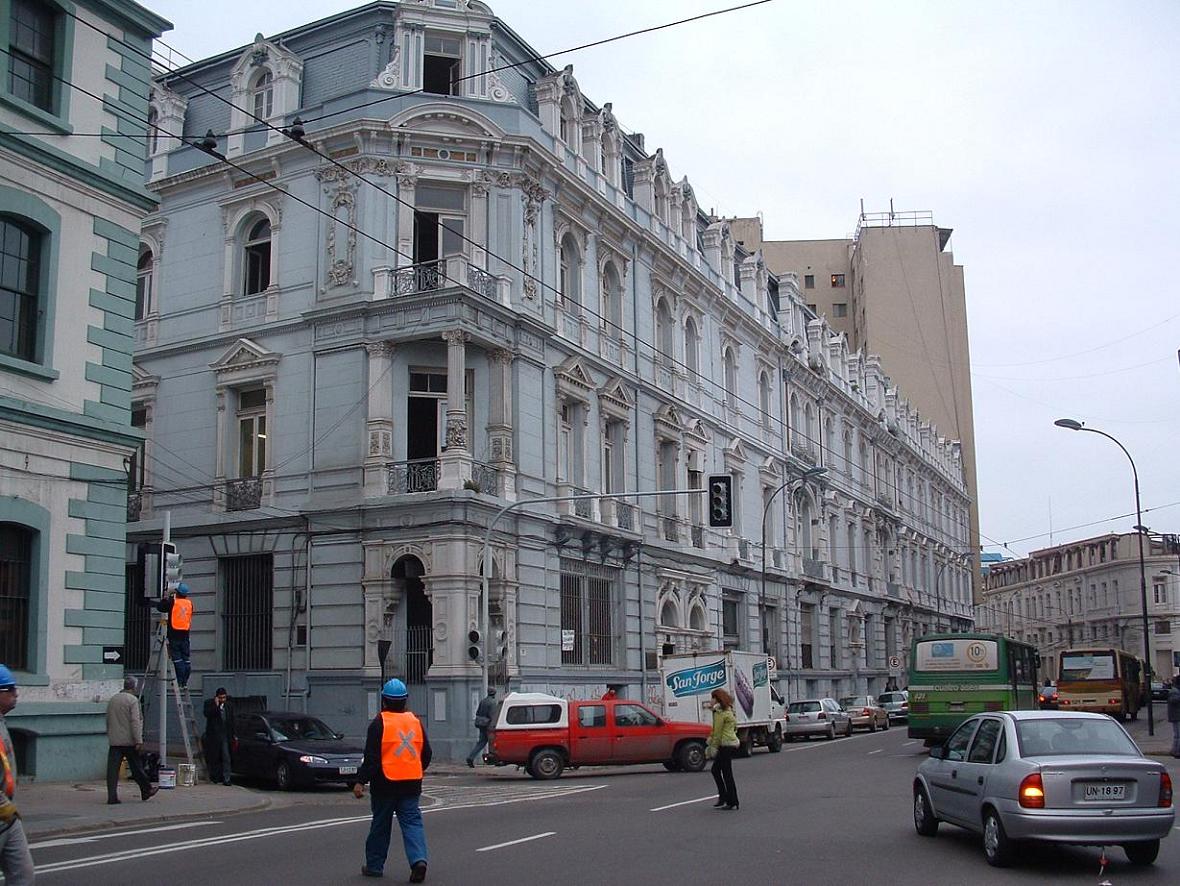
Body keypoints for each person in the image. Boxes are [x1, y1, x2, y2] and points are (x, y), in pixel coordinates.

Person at [354, 678, 431, 882]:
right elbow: (427, 754)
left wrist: (360, 781)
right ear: (405, 701)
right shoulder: (415, 722)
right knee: (413, 824)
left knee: (380, 825)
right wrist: (415, 769)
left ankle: (374, 866)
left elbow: (371, 759)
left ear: (384, 701)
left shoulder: (378, 724)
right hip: (412, 783)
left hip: (384, 785)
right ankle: (419, 861)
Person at [0, 666, 35, 886]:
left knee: (23, 875)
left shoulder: (2, 722)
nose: (16, 693)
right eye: (10, 689)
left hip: (7, 816)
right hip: (4, 809)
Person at [106, 676, 159, 805]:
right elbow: (135, 721)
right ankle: (146, 789)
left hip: (114, 740)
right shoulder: (132, 700)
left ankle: (112, 796)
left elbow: (108, 720)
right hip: (129, 741)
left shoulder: (113, 699)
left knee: (112, 770)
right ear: (134, 687)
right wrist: (138, 740)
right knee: (137, 768)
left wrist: (110, 734)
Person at [706, 687, 741, 811]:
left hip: (725, 745)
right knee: (718, 770)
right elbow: (735, 727)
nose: (710, 701)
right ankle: (726, 798)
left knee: (725, 773)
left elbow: (717, 732)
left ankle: (731, 800)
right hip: (731, 743)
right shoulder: (729, 711)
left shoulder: (719, 712)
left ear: (717, 699)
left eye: (712, 698)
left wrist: (712, 748)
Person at [155, 583, 193, 688]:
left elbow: (161, 607)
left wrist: (165, 598)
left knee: (177, 659)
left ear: (178, 593)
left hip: (174, 634)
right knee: (186, 659)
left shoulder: (173, 602)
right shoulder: (189, 603)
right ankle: (184, 681)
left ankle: (180, 681)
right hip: (185, 635)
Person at [203, 687, 235, 785]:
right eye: (220, 698)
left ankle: (226, 778)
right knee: (214, 757)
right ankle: (215, 777)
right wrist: (216, 706)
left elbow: (232, 720)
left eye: (224, 698)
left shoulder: (229, 706)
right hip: (214, 736)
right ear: (216, 697)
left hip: (225, 735)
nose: (222, 700)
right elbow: (207, 714)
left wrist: (233, 735)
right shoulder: (209, 703)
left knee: (226, 757)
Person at [466, 687, 497, 768]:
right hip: (488, 725)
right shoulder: (493, 702)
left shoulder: (483, 701)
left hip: (481, 725)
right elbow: (493, 715)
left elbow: (478, 712)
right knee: (493, 743)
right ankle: (492, 759)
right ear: (494, 693)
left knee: (481, 743)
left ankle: (471, 757)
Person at [1167, 675, 1180, 759]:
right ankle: (1176, 751)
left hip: (1176, 716)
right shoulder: (1175, 691)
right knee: (1178, 735)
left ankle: (1175, 750)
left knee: (1177, 735)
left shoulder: (1175, 690)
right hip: (1176, 716)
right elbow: (1173, 700)